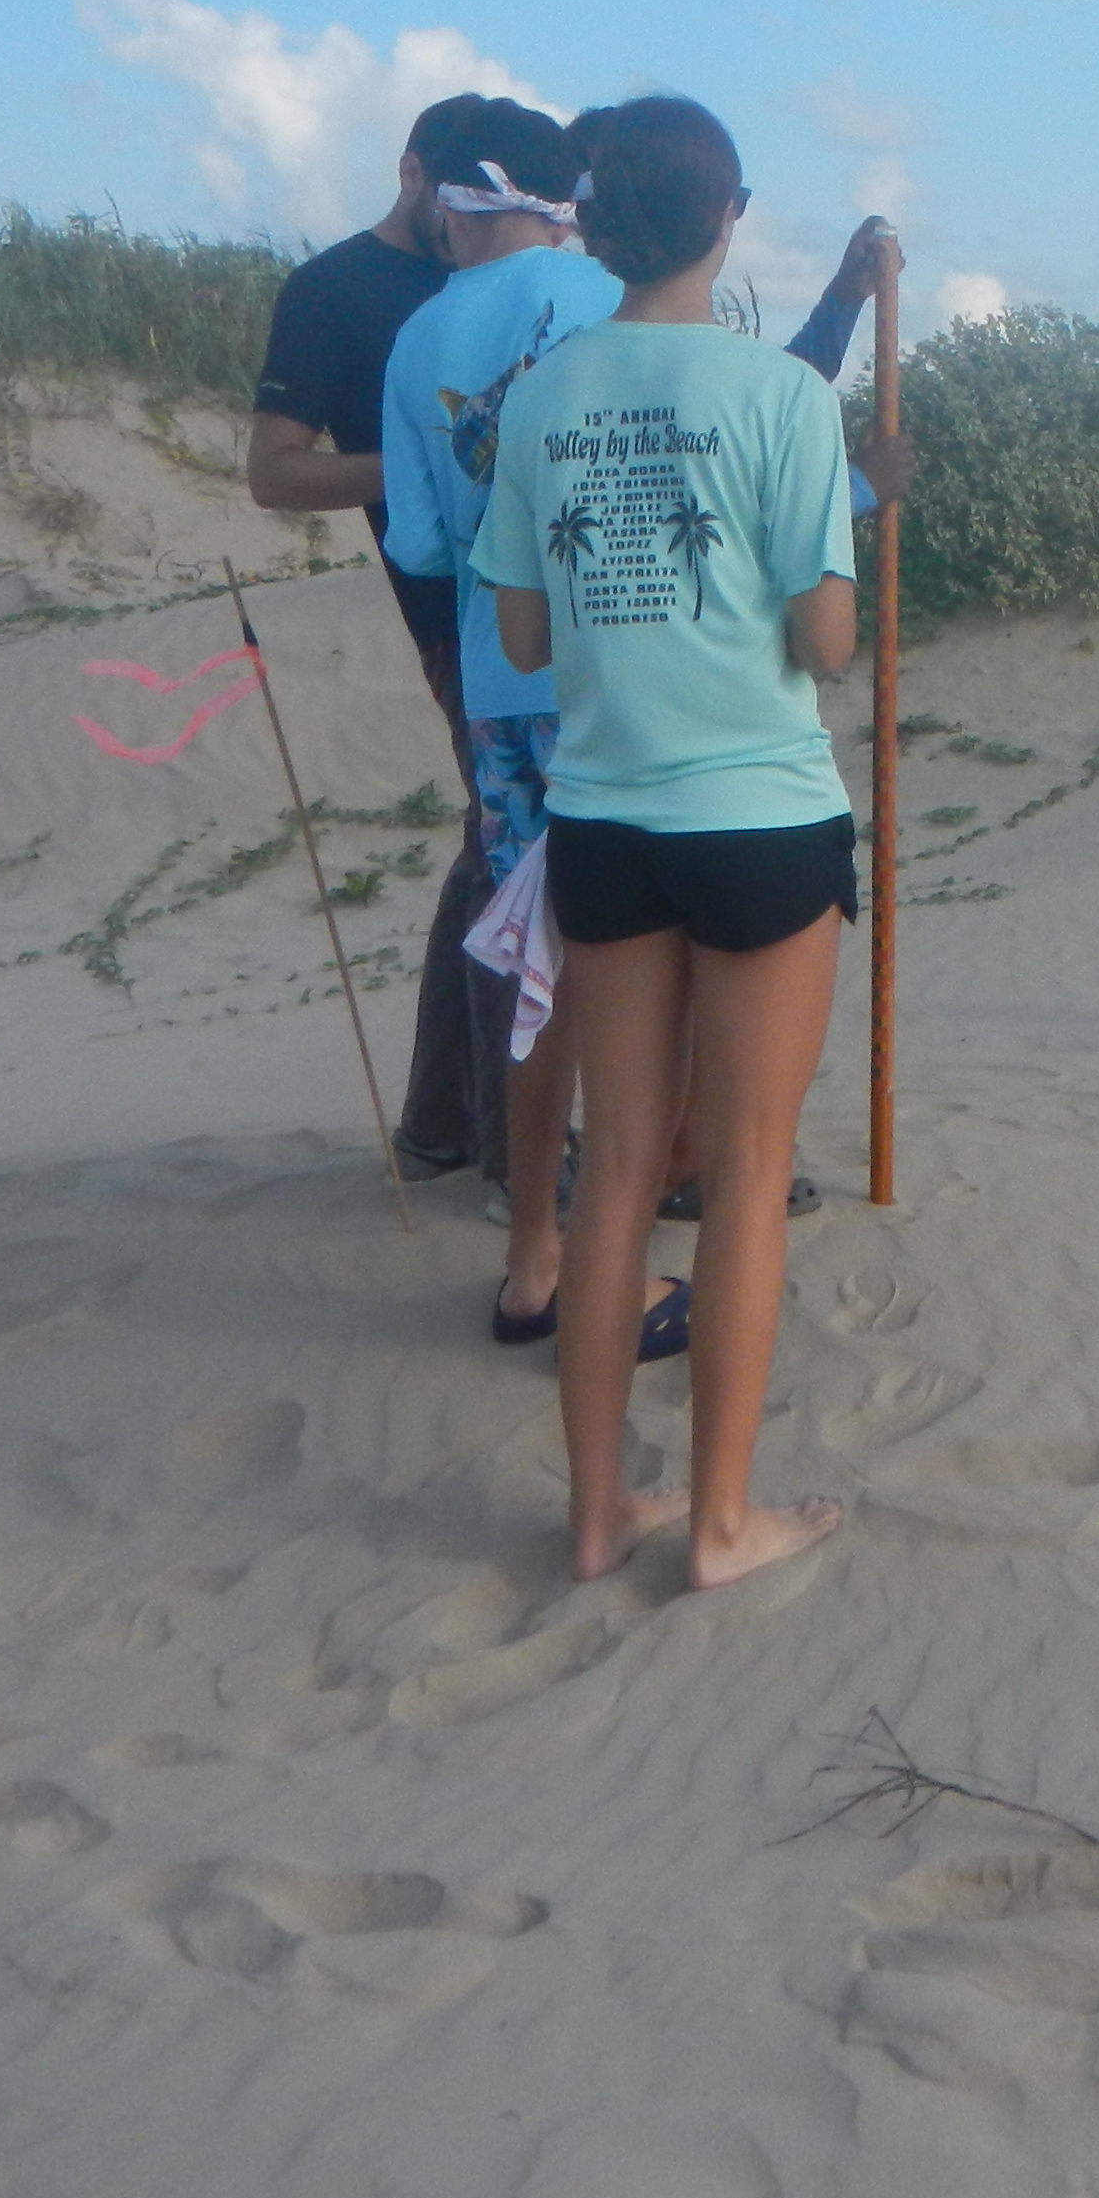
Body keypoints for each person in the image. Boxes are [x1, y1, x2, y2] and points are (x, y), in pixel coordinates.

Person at [478, 96, 857, 1591]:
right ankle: (714, 1523)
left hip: (605, 821)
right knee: (748, 1174)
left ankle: (592, 1515)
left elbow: (520, 628)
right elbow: (822, 641)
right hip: (760, 813)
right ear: (729, 216)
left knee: (616, 1172)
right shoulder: (781, 398)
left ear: (591, 222)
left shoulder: (543, 394)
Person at [376, 109, 624, 1345]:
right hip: (631, 672)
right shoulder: (616, 297)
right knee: (646, 939)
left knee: (535, 954)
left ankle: (535, 1240)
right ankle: (642, 1208)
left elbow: (419, 541)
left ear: (463, 196)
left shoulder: (419, 331)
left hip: (499, 680)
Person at [249, 94, 525, 1179]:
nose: (470, 225)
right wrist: (429, 463)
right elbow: (274, 472)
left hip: (553, 608)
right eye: (454, 199)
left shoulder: (512, 271)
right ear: (412, 173)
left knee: (491, 850)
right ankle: (512, 1143)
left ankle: (442, 1121)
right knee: (517, 858)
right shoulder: (333, 292)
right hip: (452, 616)